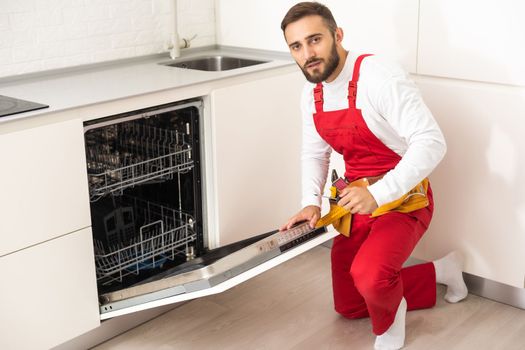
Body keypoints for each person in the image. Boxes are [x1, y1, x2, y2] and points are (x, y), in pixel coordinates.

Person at [278, 2, 468, 349]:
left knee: (370, 276)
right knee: (350, 304)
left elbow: (431, 142)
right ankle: (441, 272)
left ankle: (391, 327)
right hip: (357, 201)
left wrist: (379, 195)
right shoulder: (312, 93)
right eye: (296, 46)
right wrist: (310, 202)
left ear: (338, 35)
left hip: (404, 198)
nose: (308, 54)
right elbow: (314, 152)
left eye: (315, 39)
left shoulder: (378, 75)